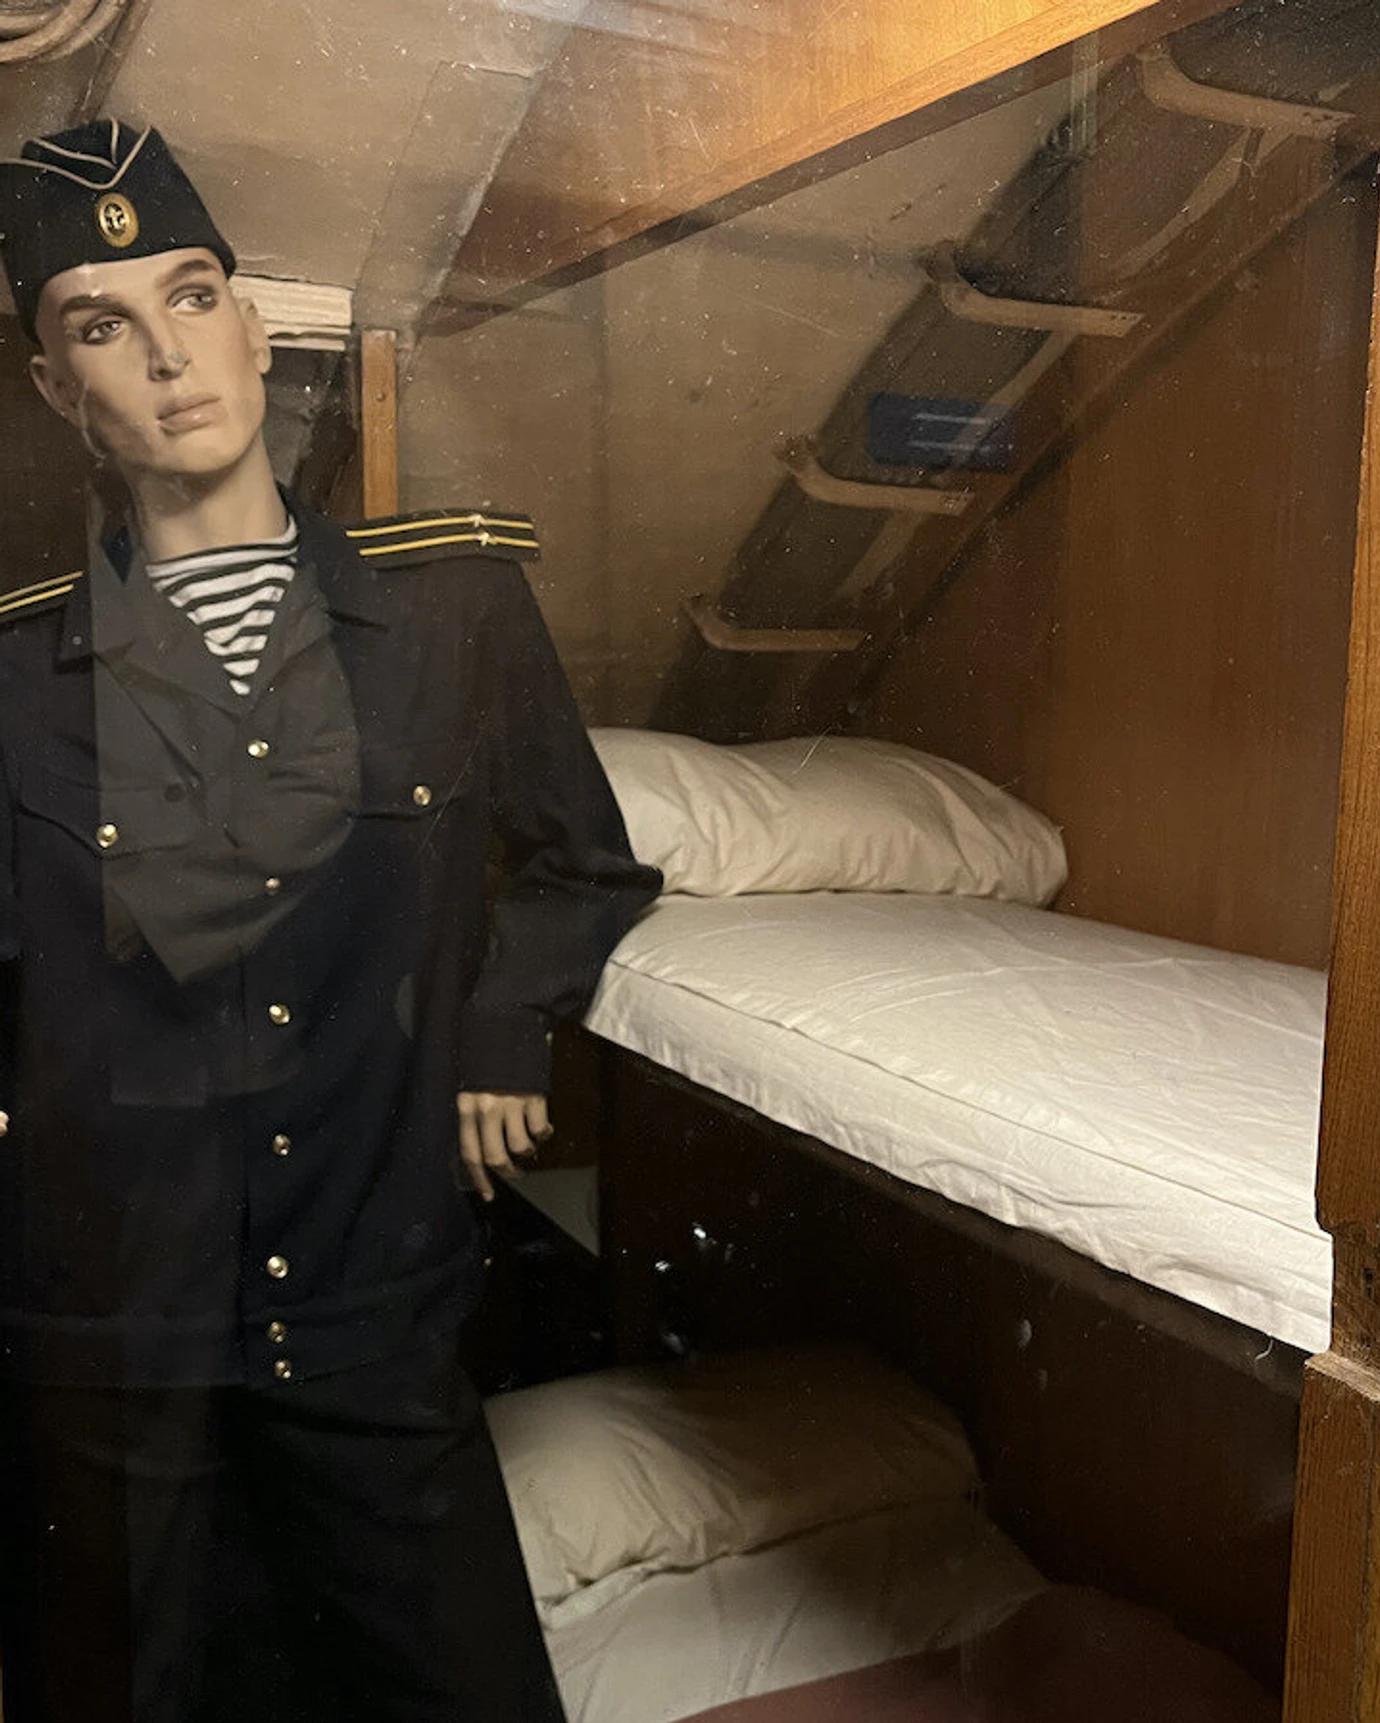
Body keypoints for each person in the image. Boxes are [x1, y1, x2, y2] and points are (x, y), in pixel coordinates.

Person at [0, 119, 661, 1722]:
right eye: (102, 325)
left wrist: (500, 1030)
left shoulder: (453, 609)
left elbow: (585, 863)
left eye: (192, 295)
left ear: (252, 325)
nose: (167, 355)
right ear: (55, 387)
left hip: (369, 1293)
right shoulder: (15, 675)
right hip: (110, 1329)